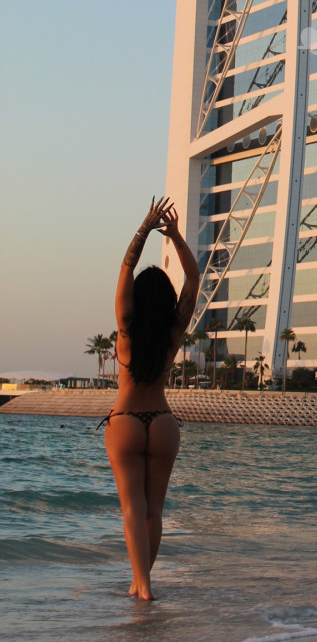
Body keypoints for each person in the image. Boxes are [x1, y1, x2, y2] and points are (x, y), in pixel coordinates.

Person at [102, 197, 200, 600]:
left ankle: (141, 585)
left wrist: (145, 228)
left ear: (138, 300)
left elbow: (126, 268)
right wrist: (174, 236)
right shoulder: (172, 333)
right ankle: (142, 582)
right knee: (154, 511)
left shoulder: (126, 329)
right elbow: (193, 278)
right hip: (162, 423)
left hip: (125, 421)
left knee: (132, 510)